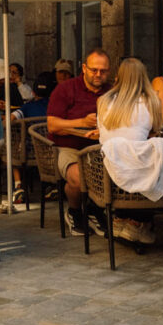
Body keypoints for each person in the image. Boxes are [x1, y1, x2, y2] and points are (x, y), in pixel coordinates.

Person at [97, 57, 163, 244]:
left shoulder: (103, 101)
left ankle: (124, 219)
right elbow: (156, 131)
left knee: (137, 157)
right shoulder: (151, 101)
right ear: (144, 77)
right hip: (138, 171)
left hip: (108, 173)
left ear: (118, 77)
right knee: (159, 157)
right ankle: (142, 223)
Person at [47, 48, 112, 237]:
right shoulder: (66, 89)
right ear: (84, 68)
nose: (98, 74)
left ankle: (96, 211)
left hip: (104, 147)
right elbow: (52, 125)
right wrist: (81, 123)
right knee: (77, 177)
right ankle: (75, 211)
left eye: (103, 71)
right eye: (94, 70)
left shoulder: (112, 91)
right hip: (70, 147)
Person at [10, 71, 56, 204]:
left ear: (34, 93)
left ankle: (18, 186)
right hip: (53, 150)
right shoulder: (55, 106)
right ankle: (51, 186)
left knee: (13, 148)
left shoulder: (27, 107)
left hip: (30, 152)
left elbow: (12, 118)